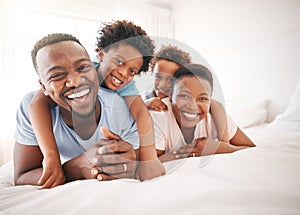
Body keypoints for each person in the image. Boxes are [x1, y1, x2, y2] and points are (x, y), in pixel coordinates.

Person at [28, 20, 165, 188]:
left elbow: (141, 113)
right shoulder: (82, 68)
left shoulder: (126, 86)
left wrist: (149, 158)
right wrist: (51, 157)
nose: (123, 73)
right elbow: (36, 104)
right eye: (119, 62)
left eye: (132, 71)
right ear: (101, 55)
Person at [14, 33, 140, 188]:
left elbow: (139, 163)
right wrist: (77, 167)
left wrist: (128, 162)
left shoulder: (120, 108)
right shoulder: (31, 108)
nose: (76, 81)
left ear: (94, 69)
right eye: (57, 75)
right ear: (44, 87)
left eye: (83, 67)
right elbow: (22, 176)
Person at [150, 64, 255, 162]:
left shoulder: (216, 116)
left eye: (202, 98)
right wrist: (188, 153)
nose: (193, 106)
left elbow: (253, 150)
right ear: (171, 95)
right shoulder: (158, 116)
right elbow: (147, 166)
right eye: (184, 96)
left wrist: (222, 148)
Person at [142, 45, 229, 142]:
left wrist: (224, 143)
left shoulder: (201, 104)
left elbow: (216, 106)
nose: (162, 85)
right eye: (158, 77)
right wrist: (145, 104)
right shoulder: (146, 97)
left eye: (170, 79)